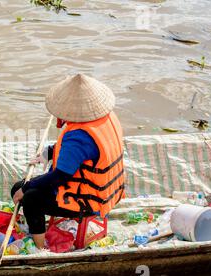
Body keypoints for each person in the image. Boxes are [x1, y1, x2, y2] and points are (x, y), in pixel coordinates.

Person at [11, 74, 125, 249]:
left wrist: (27, 187)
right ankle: (36, 226)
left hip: (89, 201)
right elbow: (77, 152)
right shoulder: (105, 118)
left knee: (31, 198)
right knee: (18, 187)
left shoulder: (78, 136)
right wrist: (48, 152)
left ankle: (40, 249)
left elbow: (60, 176)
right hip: (110, 191)